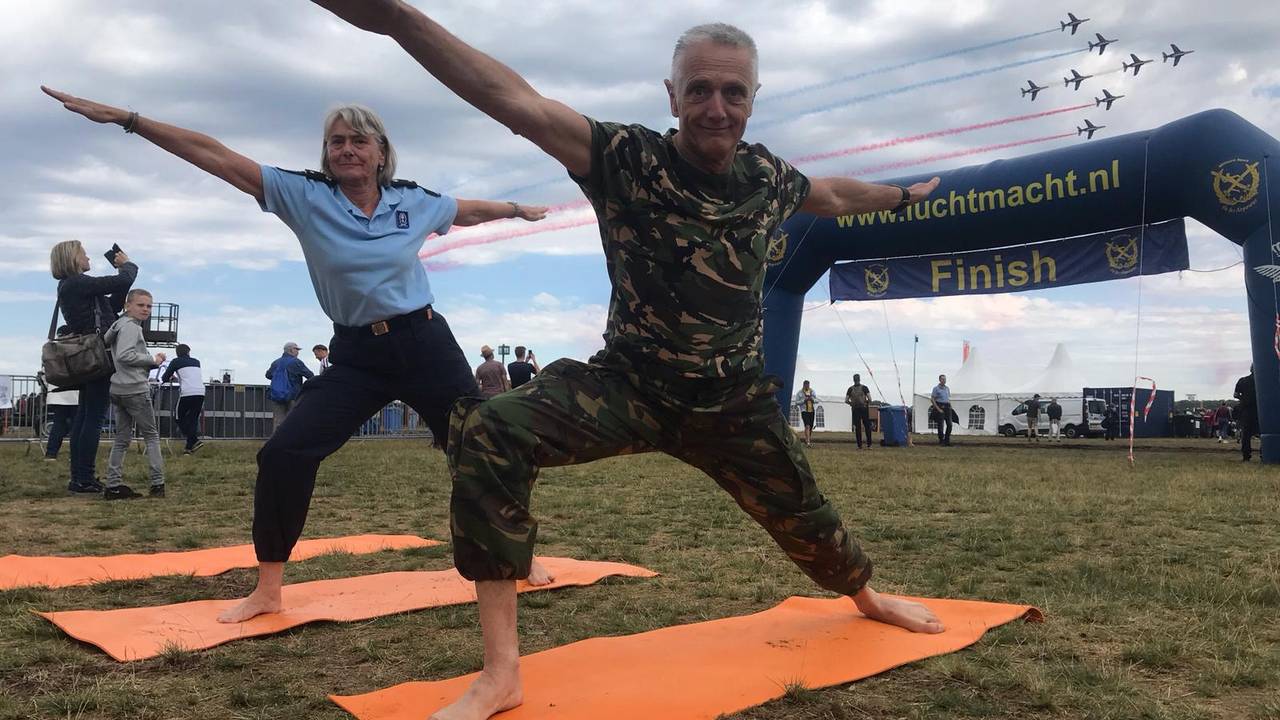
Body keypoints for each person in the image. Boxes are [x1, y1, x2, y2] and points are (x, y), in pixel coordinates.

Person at [314, 6, 946, 718]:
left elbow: (831, 195)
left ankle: (867, 596)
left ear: (752, 99)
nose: (716, 107)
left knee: (808, 518)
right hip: (630, 385)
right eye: (699, 90)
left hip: (731, 402)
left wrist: (899, 195)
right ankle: (502, 673)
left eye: (733, 93)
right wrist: (399, 20)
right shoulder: (625, 158)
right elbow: (514, 103)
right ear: (671, 96)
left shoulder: (767, 177)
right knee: (489, 431)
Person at [43, 88, 554, 624]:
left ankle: (519, 554)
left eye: (359, 141)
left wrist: (518, 209)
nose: (346, 149)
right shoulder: (304, 195)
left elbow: (469, 210)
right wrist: (129, 119)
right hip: (356, 353)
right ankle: (267, 589)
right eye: (336, 141)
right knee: (283, 454)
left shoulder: (413, 200)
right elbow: (216, 156)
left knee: (482, 448)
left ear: (382, 152)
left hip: (426, 343)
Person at [49, 239, 137, 494]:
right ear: (73, 259)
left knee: (85, 417)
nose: (88, 259)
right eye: (84, 254)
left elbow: (108, 306)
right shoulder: (77, 282)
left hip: (87, 358)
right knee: (93, 418)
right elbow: (121, 282)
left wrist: (124, 278)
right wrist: (127, 265)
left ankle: (80, 476)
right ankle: (83, 478)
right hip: (97, 358)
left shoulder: (71, 286)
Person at [103, 289, 167, 499]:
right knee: (151, 436)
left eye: (149, 306)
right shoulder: (131, 328)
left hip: (117, 388)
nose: (146, 310)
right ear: (127, 305)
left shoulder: (118, 326)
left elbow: (111, 346)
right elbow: (125, 355)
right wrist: (152, 360)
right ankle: (158, 484)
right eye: (141, 305)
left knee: (121, 438)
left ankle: (112, 485)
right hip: (135, 388)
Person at [162, 343, 206, 453]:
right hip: (200, 392)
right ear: (188, 352)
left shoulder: (176, 361)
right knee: (193, 419)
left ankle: (194, 440)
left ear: (177, 353)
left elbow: (165, 377)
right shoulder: (196, 362)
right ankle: (188, 448)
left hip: (187, 392)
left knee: (178, 417)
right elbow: (189, 375)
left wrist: (173, 378)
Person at [265, 342, 314, 430]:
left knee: (278, 420)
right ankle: (291, 441)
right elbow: (310, 375)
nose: (298, 352)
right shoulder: (296, 362)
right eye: (297, 350)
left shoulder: (276, 362)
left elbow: (268, 375)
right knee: (293, 420)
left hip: (276, 395)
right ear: (291, 350)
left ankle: (277, 441)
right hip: (293, 396)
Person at [41, 365, 79, 461]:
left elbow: (44, 374)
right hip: (76, 394)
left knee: (58, 425)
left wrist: (50, 387)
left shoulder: (52, 352)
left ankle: (51, 453)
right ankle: (75, 454)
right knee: (76, 427)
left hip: (57, 394)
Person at [1235, 366, 1258, 461]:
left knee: (1246, 434)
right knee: (1264, 433)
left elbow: (1236, 394)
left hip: (1246, 410)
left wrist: (1243, 399)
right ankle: (1264, 454)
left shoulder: (1243, 380)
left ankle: (1246, 456)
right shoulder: (1263, 381)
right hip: (1259, 410)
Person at [844, 373, 873, 449]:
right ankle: (869, 445)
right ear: (859, 379)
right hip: (864, 408)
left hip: (855, 409)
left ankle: (859, 445)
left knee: (858, 427)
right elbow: (870, 399)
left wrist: (851, 403)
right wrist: (866, 402)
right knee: (867, 426)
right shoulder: (864, 388)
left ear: (853, 380)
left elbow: (846, 400)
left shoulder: (850, 389)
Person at [931, 374, 953, 446]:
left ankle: (947, 440)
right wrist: (938, 409)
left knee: (949, 424)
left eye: (945, 379)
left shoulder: (947, 388)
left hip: (947, 407)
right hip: (940, 406)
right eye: (943, 379)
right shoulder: (936, 388)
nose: (944, 380)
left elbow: (948, 399)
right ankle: (941, 440)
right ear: (940, 380)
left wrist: (950, 406)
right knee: (941, 425)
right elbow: (932, 399)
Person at [797, 380, 817, 447]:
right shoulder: (799, 393)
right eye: (806, 385)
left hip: (812, 411)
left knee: (810, 426)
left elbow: (817, 400)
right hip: (804, 411)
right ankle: (808, 442)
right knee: (807, 425)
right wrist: (803, 400)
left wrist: (813, 400)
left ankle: (807, 439)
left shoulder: (812, 391)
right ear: (803, 385)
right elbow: (797, 402)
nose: (807, 386)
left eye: (808, 385)